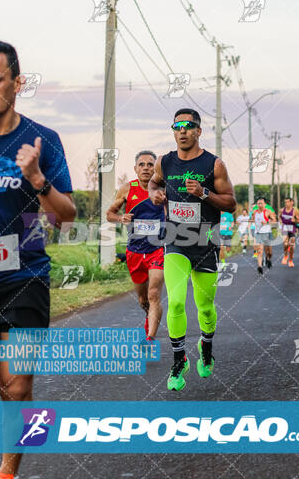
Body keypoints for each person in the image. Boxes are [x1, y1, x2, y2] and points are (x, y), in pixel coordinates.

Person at [0, 40, 76, 479]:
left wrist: (36, 179)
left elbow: (66, 216)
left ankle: (6, 473)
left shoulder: (43, 140)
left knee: (15, 385)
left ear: (17, 83)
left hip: (24, 275)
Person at [149, 108, 236, 391]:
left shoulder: (215, 165)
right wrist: (154, 192)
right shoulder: (164, 162)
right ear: (173, 131)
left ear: (199, 131)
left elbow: (231, 203)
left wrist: (204, 193)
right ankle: (178, 360)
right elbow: (154, 182)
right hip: (175, 240)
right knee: (174, 302)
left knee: (205, 308)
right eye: (177, 126)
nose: (182, 130)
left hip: (206, 241)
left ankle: (206, 346)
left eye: (188, 126)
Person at [106, 150, 165, 340]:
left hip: (158, 249)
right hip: (135, 251)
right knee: (143, 299)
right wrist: (121, 217)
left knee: (154, 293)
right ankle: (149, 316)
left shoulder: (164, 188)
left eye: (150, 165)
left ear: (156, 168)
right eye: (142, 164)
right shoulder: (126, 189)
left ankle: (150, 339)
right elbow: (110, 214)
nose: (146, 168)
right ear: (135, 168)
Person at [251, 197, 277, 274]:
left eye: (261, 203)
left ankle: (268, 259)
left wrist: (267, 222)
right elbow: (253, 220)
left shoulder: (268, 212)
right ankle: (260, 266)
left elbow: (274, 221)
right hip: (258, 233)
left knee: (269, 251)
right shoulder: (254, 212)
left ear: (265, 204)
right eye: (258, 203)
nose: (260, 205)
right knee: (260, 250)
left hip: (267, 233)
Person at [280, 197, 299, 268]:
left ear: (292, 202)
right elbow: (279, 218)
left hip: (292, 229)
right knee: (285, 244)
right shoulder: (282, 210)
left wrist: (294, 220)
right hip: (285, 228)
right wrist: (281, 224)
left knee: (291, 245)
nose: (286, 204)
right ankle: (285, 256)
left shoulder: (295, 211)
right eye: (285, 202)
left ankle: (290, 260)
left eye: (288, 202)